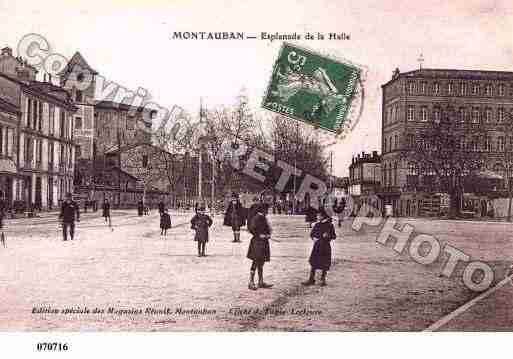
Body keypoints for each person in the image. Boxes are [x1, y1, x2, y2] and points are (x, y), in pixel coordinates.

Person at [302, 208, 336, 287]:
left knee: (324, 263)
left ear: (323, 216)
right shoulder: (317, 224)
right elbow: (312, 234)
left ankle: (323, 279)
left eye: (318, 215)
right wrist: (314, 238)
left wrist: (328, 236)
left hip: (325, 246)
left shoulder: (329, 225)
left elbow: (334, 236)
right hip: (317, 246)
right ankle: (311, 279)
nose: (317, 216)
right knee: (314, 262)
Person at [247, 203, 273, 290]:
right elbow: (251, 228)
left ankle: (260, 281)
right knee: (255, 261)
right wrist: (259, 235)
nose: (268, 211)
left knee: (261, 262)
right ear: (263, 210)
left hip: (264, 242)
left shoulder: (264, 218)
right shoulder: (256, 218)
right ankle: (251, 282)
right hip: (257, 243)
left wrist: (268, 234)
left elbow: (268, 229)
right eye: (267, 210)